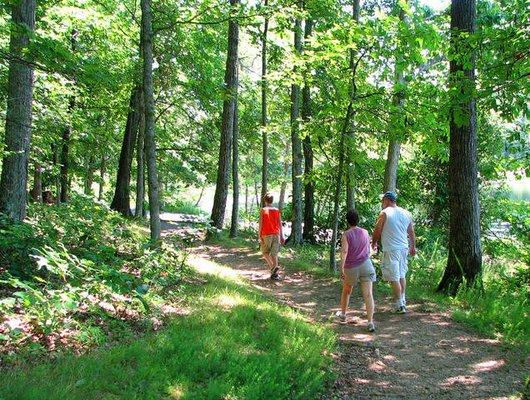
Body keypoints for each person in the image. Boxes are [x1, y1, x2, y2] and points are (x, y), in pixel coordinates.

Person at [371, 191, 416, 314]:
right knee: (401, 275)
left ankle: (399, 305)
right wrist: (413, 247)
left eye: (383, 200)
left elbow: (377, 230)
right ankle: (402, 301)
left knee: (393, 277)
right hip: (403, 248)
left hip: (391, 249)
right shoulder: (406, 213)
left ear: (387, 200)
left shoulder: (385, 213)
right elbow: (411, 232)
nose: (382, 203)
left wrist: (373, 242)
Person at [336, 209, 376, 332]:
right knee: (368, 294)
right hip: (366, 265)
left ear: (347, 221)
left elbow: (344, 252)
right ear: (358, 219)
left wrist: (342, 268)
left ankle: (343, 315)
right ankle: (370, 322)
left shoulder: (346, 234)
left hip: (351, 267)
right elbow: (370, 250)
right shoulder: (365, 232)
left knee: (347, 290)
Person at [258, 193, 285, 280]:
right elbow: (280, 224)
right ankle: (275, 274)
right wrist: (282, 236)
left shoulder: (263, 210)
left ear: (265, 200)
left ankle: (272, 267)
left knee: (265, 252)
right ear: (272, 201)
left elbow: (261, 224)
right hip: (276, 234)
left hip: (266, 234)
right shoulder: (277, 210)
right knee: (274, 254)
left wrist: (259, 236)